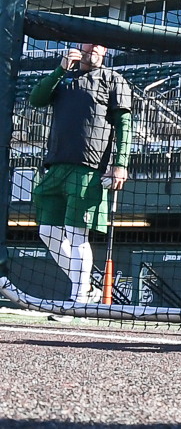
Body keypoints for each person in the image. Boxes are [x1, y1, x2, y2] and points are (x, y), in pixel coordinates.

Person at [29, 44, 132, 317]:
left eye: (99, 45)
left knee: (76, 235)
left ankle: (78, 301)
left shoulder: (114, 80)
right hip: (55, 166)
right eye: (88, 44)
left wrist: (120, 164)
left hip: (89, 169)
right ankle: (85, 288)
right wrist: (60, 69)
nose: (92, 49)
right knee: (47, 232)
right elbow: (36, 98)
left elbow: (124, 126)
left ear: (106, 50)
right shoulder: (64, 77)